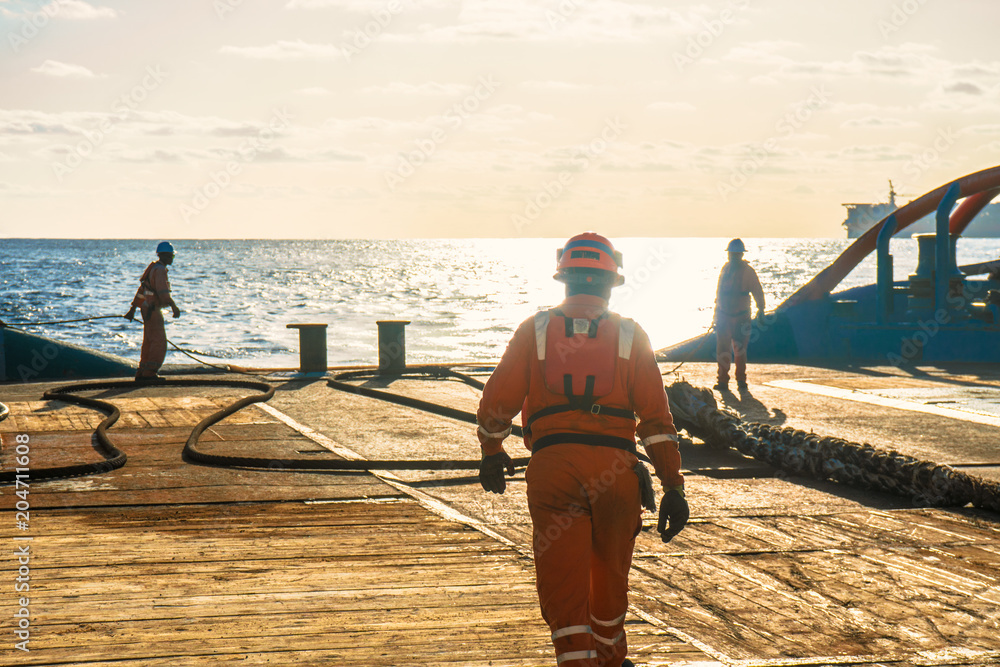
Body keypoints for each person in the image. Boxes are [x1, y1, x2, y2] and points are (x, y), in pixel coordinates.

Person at [476, 233, 688, 667]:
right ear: (612, 283)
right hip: (618, 474)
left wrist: (492, 451)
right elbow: (656, 423)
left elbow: (497, 404)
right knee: (610, 578)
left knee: (563, 582)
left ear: (564, 279)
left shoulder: (535, 329)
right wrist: (673, 486)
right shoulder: (632, 335)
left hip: (555, 471)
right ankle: (611, 659)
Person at [713, 238, 764, 392]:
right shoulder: (725, 269)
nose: (733, 257)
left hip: (741, 317)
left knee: (740, 350)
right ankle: (722, 381)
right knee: (722, 350)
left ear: (741, 255)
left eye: (735, 254)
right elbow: (719, 293)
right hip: (724, 316)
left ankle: (741, 380)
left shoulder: (748, 272)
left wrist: (761, 310)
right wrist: (716, 314)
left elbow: (757, 291)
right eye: (731, 254)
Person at [125, 241, 181, 380]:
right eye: (171, 256)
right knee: (159, 342)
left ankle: (142, 372)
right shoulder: (160, 270)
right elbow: (163, 293)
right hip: (153, 310)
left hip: (146, 310)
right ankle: (150, 373)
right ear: (166, 256)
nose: (172, 258)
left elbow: (142, 291)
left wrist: (133, 309)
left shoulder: (152, 268)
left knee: (148, 341)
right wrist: (174, 307)